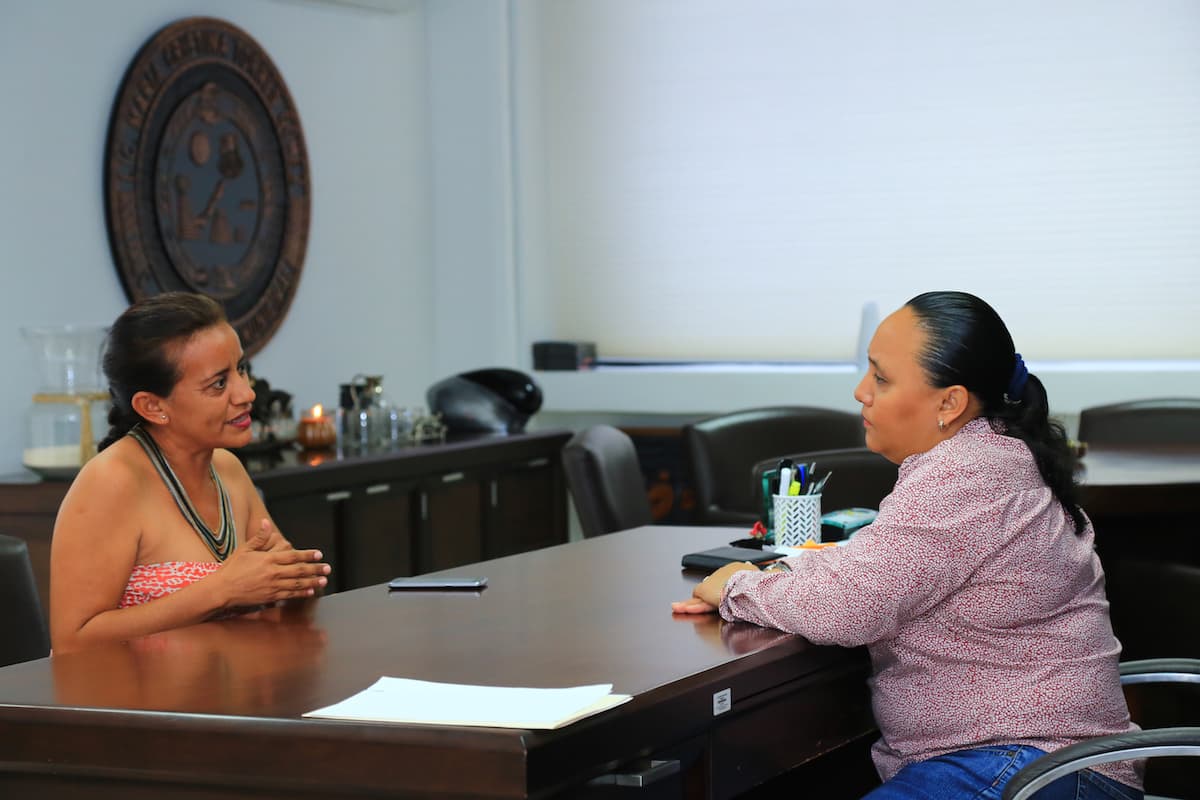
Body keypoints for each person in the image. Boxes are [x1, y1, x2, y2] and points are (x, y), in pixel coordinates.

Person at [672, 291, 1143, 800]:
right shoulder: (995, 452)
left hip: (1025, 767)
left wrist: (734, 588)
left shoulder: (964, 472)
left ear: (950, 402)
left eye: (881, 377)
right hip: (1034, 763)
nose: (860, 392)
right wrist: (784, 576)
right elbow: (877, 562)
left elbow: (850, 608)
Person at [50, 292, 331, 655]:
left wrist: (295, 578)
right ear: (153, 406)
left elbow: (278, 587)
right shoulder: (110, 481)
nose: (246, 394)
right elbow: (73, 641)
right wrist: (221, 589)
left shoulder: (226, 467)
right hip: (133, 707)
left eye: (241, 369)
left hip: (224, 698)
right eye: (218, 384)